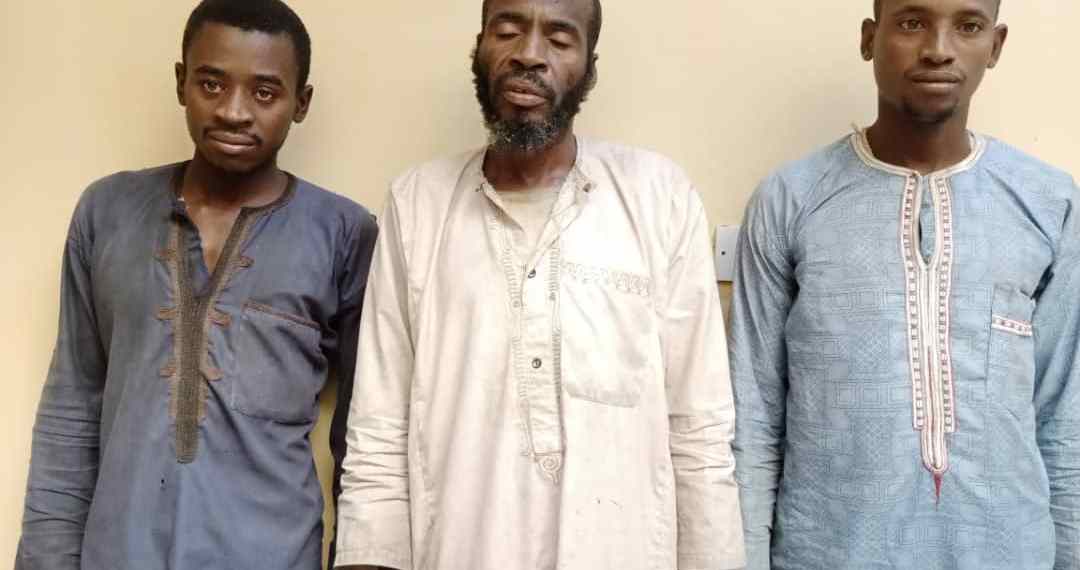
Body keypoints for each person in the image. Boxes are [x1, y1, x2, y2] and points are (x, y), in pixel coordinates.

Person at [333, 0, 744, 568]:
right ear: (479, 48)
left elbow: (700, 430)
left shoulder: (659, 197)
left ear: (589, 67)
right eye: (507, 31)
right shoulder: (417, 204)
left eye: (559, 38)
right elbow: (379, 428)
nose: (528, 54)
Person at [15, 1, 377, 568]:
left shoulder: (344, 234)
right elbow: (72, 405)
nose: (234, 111)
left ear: (301, 102)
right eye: (212, 83)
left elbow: (367, 434)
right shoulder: (107, 212)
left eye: (264, 92)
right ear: (181, 82)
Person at [731, 0, 1080, 568]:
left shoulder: (1050, 204)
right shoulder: (790, 200)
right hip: (829, 553)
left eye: (968, 26)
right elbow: (754, 415)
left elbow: (1066, 416)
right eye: (912, 22)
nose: (938, 49)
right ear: (870, 38)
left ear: (995, 46)